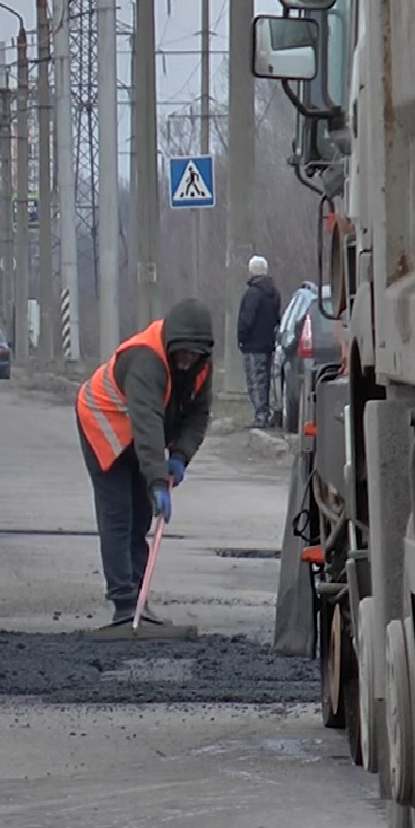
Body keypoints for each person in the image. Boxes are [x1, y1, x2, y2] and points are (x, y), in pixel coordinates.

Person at [76, 298, 215, 626]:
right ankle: (124, 602)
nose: (186, 361)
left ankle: (139, 599)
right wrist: (156, 481)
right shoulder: (145, 359)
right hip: (104, 426)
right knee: (118, 516)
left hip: (140, 436)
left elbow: (198, 414)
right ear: (169, 344)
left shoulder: (201, 364)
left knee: (140, 518)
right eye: (180, 353)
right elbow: (148, 420)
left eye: (192, 354)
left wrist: (180, 456)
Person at [237, 254, 282, 428]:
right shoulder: (274, 293)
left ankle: (260, 416)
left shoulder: (252, 293)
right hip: (267, 344)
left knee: (255, 381)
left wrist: (241, 338)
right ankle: (266, 413)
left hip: (252, 345)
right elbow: (277, 318)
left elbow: (246, 319)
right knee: (265, 381)